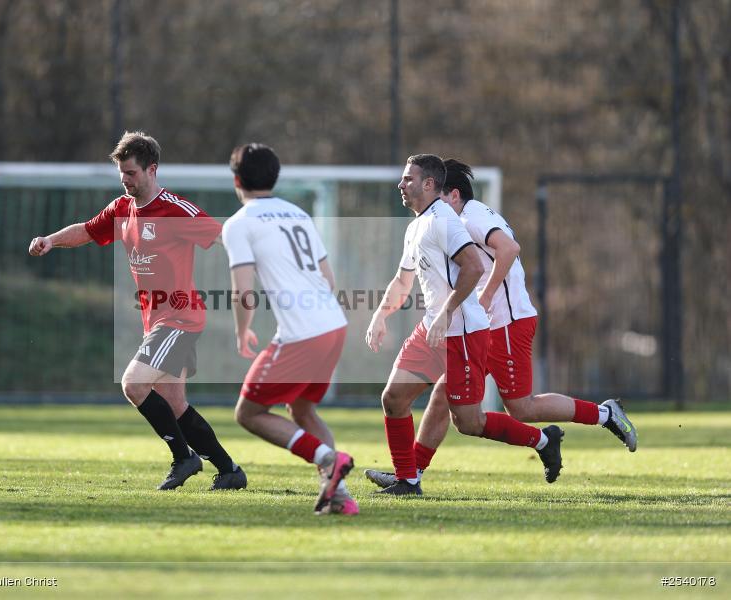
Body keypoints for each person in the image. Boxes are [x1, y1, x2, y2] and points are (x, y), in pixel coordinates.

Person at [365, 159, 637, 490]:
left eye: (410, 180)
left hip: (503, 322)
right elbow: (405, 278)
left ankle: (596, 418)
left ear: (449, 193)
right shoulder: (428, 224)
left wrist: (482, 298)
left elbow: (506, 250)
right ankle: (410, 474)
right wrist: (381, 314)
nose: (402, 185)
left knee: (516, 408)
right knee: (434, 397)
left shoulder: (466, 218)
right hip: (469, 324)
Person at [29, 131, 246, 491]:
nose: (125, 181)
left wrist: (257, 263)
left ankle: (184, 458)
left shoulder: (175, 209)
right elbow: (87, 230)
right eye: (122, 175)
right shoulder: (122, 208)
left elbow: (223, 235)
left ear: (152, 169)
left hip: (180, 318)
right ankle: (229, 471)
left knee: (133, 383)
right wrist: (51, 240)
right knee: (175, 404)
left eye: (131, 173)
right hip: (156, 321)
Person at [222, 143, 356, 515]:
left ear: (236, 180)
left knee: (249, 413)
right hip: (334, 325)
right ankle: (340, 496)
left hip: (302, 335)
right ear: (274, 177)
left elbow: (243, 292)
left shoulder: (239, 223)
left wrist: (242, 331)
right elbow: (328, 279)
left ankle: (328, 459)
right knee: (303, 410)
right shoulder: (298, 213)